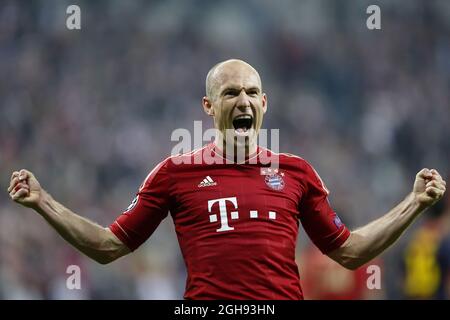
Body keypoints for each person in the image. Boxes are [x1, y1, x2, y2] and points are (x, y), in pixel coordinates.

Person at [7, 59, 446, 300]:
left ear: (265, 104)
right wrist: (45, 201)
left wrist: (414, 203)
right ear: (207, 105)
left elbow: (348, 253)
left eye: (252, 92)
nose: (243, 101)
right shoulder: (175, 173)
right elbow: (108, 246)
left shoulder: (296, 172)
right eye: (230, 93)